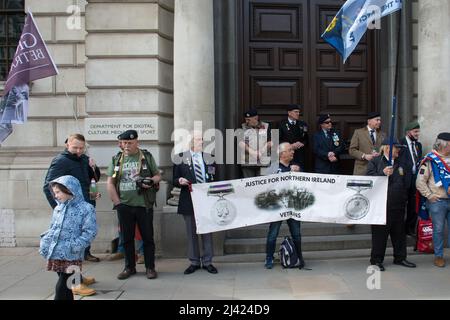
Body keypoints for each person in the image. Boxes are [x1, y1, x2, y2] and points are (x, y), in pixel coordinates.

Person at [106, 130, 161, 280]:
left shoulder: (146, 157)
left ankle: (150, 267)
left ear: (137, 142)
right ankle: (129, 267)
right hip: (124, 205)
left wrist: (151, 180)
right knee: (127, 239)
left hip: (144, 204)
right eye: (124, 143)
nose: (126, 146)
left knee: (148, 238)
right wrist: (117, 203)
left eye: (130, 143)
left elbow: (158, 175)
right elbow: (110, 183)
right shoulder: (117, 159)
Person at [43, 134, 101, 264]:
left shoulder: (85, 159)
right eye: (75, 148)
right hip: (70, 207)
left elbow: (94, 179)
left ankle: (85, 253)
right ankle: (71, 265)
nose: (79, 151)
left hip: (87, 203)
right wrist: (58, 207)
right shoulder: (60, 161)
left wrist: (94, 168)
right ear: (67, 145)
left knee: (86, 232)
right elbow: (48, 186)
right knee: (71, 237)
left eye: (82, 148)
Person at [39, 175, 97, 300]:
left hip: (72, 254)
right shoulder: (59, 208)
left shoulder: (86, 208)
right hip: (57, 252)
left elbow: (90, 231)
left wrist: (75, 245)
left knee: (62, 286)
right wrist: (45, 241)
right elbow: (53, 228)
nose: (55, 196)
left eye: (58, 192)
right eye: (54, 193)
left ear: (69, 189)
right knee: (67, 287)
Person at [367, 138, 416, 271]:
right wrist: (382, 174)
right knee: (380, 235)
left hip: (398, 204)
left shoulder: (402, 163)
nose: (398, 150)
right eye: (396, 147)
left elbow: (407, 181)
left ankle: (400, 257)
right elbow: (369, 181)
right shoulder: (376, 162)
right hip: (381, 205)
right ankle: (376, 260)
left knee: (399, 233)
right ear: (387, 148)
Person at [173, 132, 218, 275]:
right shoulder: (180, 158)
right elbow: (174, 179)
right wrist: (179, 181)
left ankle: (208, 262)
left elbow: (214, 176)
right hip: (189, 200)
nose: (202, 142)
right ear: (191, 142)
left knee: (207, 231)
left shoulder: (209, 157)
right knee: (191, 232)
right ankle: (194, 262)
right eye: (199, 140)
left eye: (202, 140)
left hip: (206, 200)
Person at [264, 142, 305, 270]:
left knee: (297, 234)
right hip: (277, 206)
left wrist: (299, 174)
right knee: (273, 234)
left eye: (292, 150)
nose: (293, 152)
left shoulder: (296, 167)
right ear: (282, 154)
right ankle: (269, 258)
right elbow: (266, 185)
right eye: (290, 150)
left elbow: (304, 186)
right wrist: (287, 174)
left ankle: (299, 257)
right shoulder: (273, 167)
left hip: (292, 205)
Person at [416, 132, 450, 268]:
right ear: (444, 145)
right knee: (438, 230)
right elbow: (420, 182)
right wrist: (429, 196)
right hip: (438, 202)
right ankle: (439, 256)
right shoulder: (430, 160)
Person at [399, 121, 423, 236]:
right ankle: (399, 229)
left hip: (415, 179)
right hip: (403, 180)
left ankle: (410, 228)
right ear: (408, 132)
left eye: (418, 131)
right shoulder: (400, 143)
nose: (417, 134)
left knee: (413, 205)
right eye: (415, 131)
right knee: (401, 205)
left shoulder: (418, 145)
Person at [238, 108, 272, 178]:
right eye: (246, 119)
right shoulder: (243, 127)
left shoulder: (266, 126)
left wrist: (261, 152)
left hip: (263, 161)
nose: (246, 121)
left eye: (248, 119)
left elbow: (270, 142)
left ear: (256, 118)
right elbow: (241, 143)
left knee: (262, 184)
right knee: (248, 184)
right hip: (248, 162)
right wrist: (253, 152)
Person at [278, 104, 308, 171]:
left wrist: (301, 144)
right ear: (289, 113)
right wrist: (290, 146)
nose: (298, 114)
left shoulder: (303, 124)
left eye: (298, 112)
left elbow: (306, 139)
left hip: (300, 156)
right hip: (286, 156)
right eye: (296, 112)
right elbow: (277, 140)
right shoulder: (281, 124)